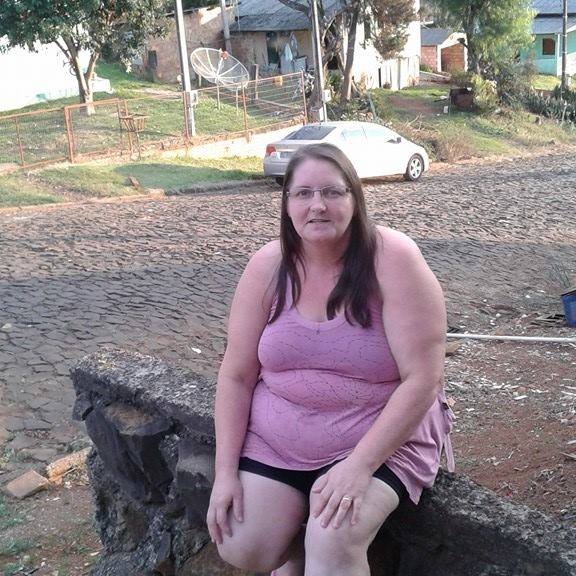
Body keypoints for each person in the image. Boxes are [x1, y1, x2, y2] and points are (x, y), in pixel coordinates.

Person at [206, 143, 454, 576]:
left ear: (355, 199)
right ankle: (298, 553)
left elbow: (422, 379)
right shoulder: (267, 265)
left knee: (333, 535)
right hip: (278, 442)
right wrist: (225, 473)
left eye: (332, 192)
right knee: (241, 543)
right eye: (303, 193)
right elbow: (237, 375)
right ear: (286, 204)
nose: (317, 205)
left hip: (378, 439)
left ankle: (317, 551)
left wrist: (360, 466)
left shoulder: (393, 259)